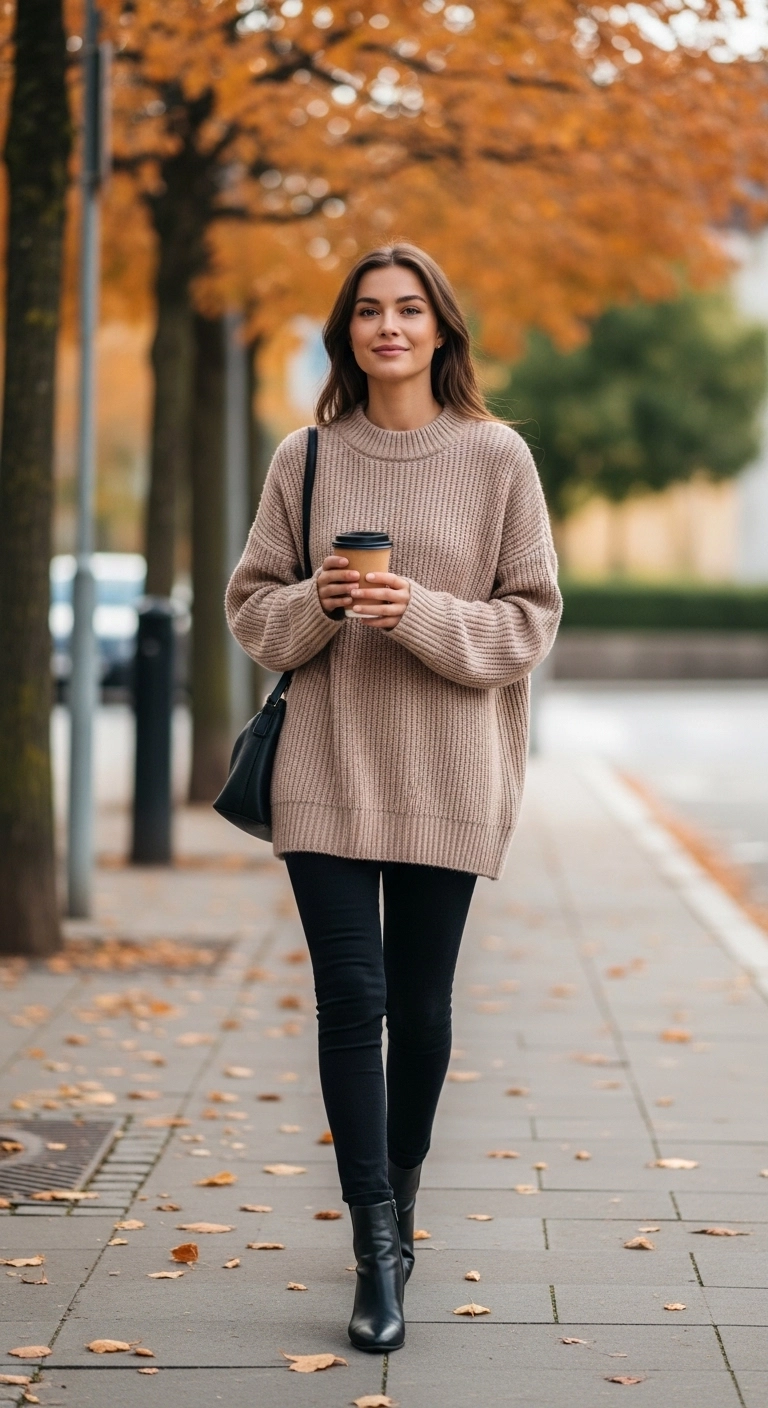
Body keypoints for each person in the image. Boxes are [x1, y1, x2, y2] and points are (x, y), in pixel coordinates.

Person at [225, 242, 562, 1353]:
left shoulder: (498, 456)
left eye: (408, 309)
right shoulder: (306, 455)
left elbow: (527, 625)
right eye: (369, 311)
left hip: (448, 771)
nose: (388, 327)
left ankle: (402, 1196)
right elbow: (250, 609)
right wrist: (318, 603)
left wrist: (413, 608)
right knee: (349, 999)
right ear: (348, 332)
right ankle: (375, 1244)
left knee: (418, 1011)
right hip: (326, 764)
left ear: (440, 329)